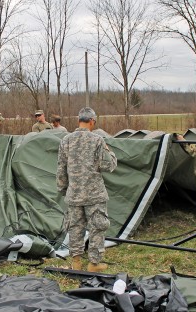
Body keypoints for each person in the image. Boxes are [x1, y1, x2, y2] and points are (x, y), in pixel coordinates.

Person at [57, 107, 118, 272]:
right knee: (97, 226)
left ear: (79, 121)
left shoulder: (66, 140)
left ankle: (76, 261)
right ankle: (94, 263)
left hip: (74, 193)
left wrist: (64, 190)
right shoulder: (98, 140)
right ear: (92, 121)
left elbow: (61, 169)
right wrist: (110, 152)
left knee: (75, 227)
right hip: (94, 194)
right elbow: (108, 165)